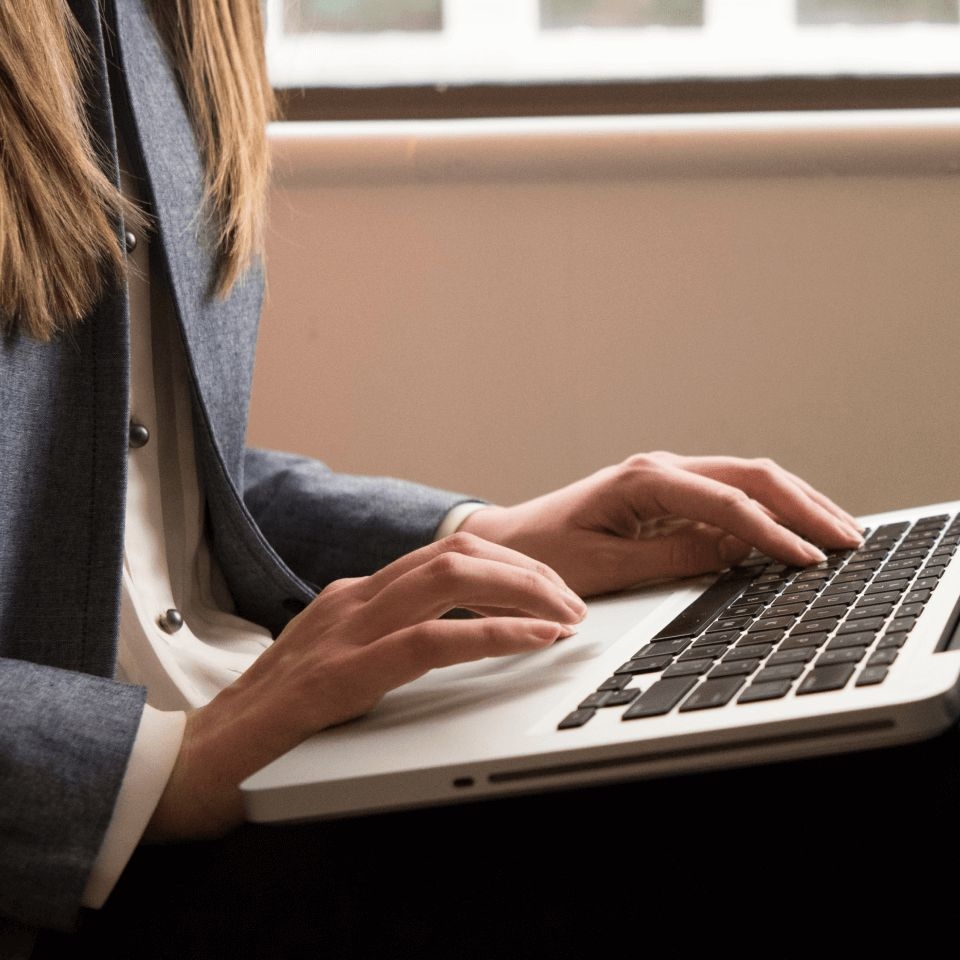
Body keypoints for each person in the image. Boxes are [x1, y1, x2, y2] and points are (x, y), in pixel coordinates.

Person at [4, 2, 951, 958]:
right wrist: (145, 768)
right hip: (77, 857)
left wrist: (476, 537)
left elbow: (133, 481)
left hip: (250, 736)